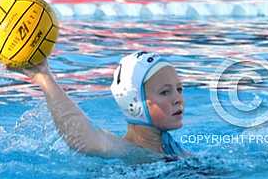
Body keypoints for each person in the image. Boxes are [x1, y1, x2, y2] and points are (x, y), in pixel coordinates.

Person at [12, 51, 187, 163]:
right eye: (165, 92)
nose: (178, 99)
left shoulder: (172, 148)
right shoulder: (124, 150)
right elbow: (83, 139)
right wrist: (43, 77)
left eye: (179, 90)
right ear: (133, 102)